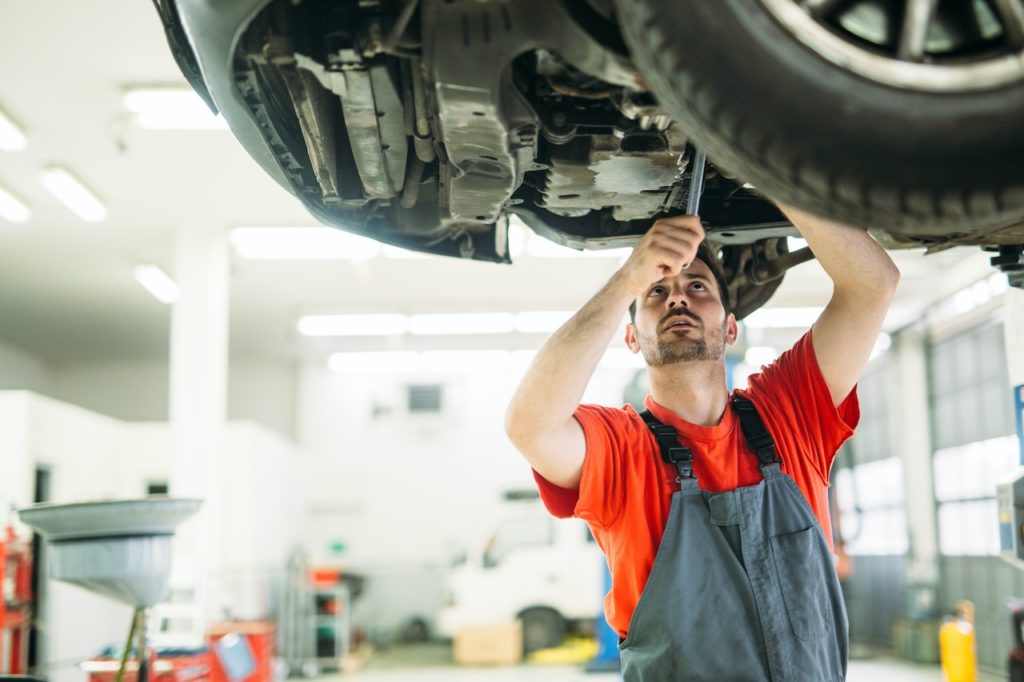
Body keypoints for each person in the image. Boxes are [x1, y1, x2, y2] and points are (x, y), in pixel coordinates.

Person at [504, 202, 900, 681]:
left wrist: (767, 165)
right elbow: (530, 425)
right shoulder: (622, 450)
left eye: (697, 286)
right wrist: (630, 276)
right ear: (631, 338)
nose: (677, 298)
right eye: (656, 291)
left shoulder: (790, 412)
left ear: (731, 328)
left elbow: (873, 285)